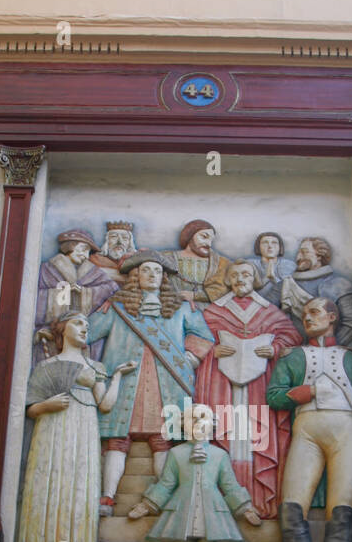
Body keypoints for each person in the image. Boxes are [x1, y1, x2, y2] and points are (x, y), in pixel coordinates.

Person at [12, 312, 135, 542]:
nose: (85, 329)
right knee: (49, 498)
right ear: (62, 329)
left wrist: (116, 376)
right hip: (53, 433)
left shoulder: (95, 366)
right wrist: (47, 405)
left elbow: (105, 405)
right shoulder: (46, 365)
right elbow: (30, 407)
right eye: (78, 323)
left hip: (84, 433)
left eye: (87, 326)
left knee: (77, 502)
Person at [87, 249, 215, 515]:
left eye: (157, 271)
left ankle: (163, 498)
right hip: (124, 381)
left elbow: (204, 336)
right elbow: (88, 333)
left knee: (163, 438)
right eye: (146, 270)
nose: (152, 275)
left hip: (167, 380)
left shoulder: (181, 307)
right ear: (135, 275)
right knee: (117, 439)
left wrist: (189, 359)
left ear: (164, 277)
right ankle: (107, 498)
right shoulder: (117, 308)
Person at [266, 298, 352, 542]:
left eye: (314, 312)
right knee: (292, 505)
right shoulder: (293, 357)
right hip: (307, 430)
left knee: (342, 510)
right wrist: (302, 393)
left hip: (347, 431)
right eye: (304, 313)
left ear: (332, 317)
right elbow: (274, 396)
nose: (307, 318)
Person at [128, 404, 263, 542]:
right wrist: (147, 504)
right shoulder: (176, 453)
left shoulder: (219, 455)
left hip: (213, 511)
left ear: (213, 426)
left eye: (204, 418)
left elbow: (229, 485)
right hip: (181, 510)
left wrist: (245, 507)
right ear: (184, 425)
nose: (199, 422)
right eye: (193, 418)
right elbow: (166, 483)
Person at [193, 261, 300, 518]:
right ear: (228, 280)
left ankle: (258, 499)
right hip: (223, 386)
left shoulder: (269, 311)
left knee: (257, 439)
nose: (241, 279)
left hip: (259, 387)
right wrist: (211, 350)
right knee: (226, 435)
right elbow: (192, 337)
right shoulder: (214, 311)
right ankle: (220, 501)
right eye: (235, 275)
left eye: (246, 274)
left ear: (255, 278)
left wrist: (274, 348)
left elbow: (292, 336)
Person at [32, 229, 119, 366]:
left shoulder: (93, 272)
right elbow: (32, 301)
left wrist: (83, 293)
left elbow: (112, 290)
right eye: (83, 249)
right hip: (51, 336)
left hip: (84, 338)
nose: (85, 255)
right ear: (70, 246)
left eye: (88, 252)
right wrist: (65, 294)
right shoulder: (46, 270)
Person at [278, 236, 352, 349]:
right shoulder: (287, 285)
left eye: (304, 252)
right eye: (299, 253)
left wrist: (328, 349)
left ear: (319, 255)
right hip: (295, 355)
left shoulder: (339, 284)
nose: (298, 257)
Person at [163, 219, 233, 307]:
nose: (209, 244)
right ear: (189, 235)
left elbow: (223, 290)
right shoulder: (167, 258)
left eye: (211, 240)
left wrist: (195, 296)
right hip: (172, 310)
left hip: (208, 313)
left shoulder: (220, 263)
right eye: (204, 237)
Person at [246, 231, 294, 307]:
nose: (270, 246)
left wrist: (273, 278)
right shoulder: (250, 264)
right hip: (254, 307)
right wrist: (266, 278)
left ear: (280, 247)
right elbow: (245, 288)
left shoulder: (288, 265)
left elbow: (290, 291)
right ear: (258, 246)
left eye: (274, 243)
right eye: (265, 243)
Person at [89, 220, 137, 284]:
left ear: (130, 243)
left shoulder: (136, 263)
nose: (119, 242)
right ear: (107, 241)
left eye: (125, 238)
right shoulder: (95, 260)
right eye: (114, 237)